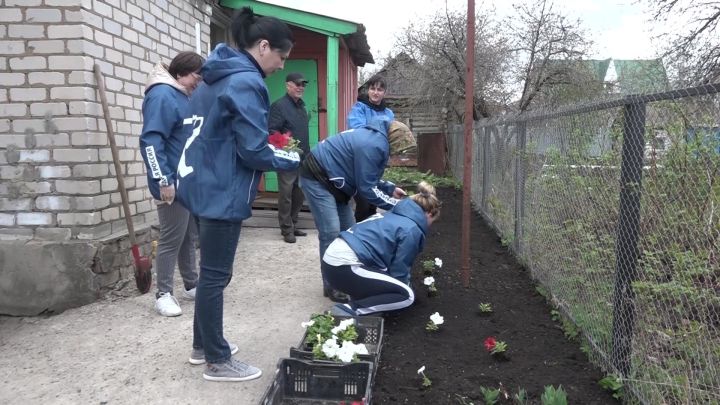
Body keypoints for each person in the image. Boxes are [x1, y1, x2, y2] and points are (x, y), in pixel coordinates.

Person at [174, 7, 299, 382]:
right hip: (224, 191)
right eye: (281, 56)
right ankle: (217, 359)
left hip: (202, 184)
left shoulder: (214, 77)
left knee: (211, 274)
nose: (280, 66)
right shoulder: (246, 82)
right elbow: (252, 149)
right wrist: (289, 157)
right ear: (263, 47)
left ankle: (203, 346)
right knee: (215, 276)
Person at [299, 117, 408, 303]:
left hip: (337, 182)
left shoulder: (376, 139)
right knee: (331, 231)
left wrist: (390, 189)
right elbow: (367, 188)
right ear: (395, 140)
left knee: (351, 231)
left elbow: (365, 174)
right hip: (317, 176)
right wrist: (396, 205)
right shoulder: (374, 145)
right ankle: (331, 285)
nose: (400, 152)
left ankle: (350, 277)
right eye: (401, 147)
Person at [139, 51, 204, 317]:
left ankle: (191, 284)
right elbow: (151, 142)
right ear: (180, 74)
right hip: (170, 183)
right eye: (195, 78)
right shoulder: (162, 96)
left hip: (185, 181)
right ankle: (163, 294)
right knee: (170, 239)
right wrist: (163, 180)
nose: (197, 84)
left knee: (188, 235)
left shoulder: (181, 95)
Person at [322, 181, 441, 317]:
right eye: (433, 221)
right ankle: (348, 311)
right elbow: (399, 270)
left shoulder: (392, 215)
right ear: (430, 214)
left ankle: (362, 302)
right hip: (345, 267)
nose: (430, 226)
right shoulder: (411, 229)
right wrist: (400, 291)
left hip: (332, 264)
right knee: (406, 296)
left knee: (385, 275)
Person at [268, 72, 310, 244]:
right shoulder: (278, 106)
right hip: (286, 157)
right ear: (288, 85)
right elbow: (272, 130)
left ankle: (293, 223)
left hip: (303, 157)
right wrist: (287, 144)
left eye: (303, 85)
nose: (301, 87)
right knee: (286, 194)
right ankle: (286, 230)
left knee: (299, 193)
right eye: (297, 84)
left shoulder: (302, 106)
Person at [347, 75, 395, 222]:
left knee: (373, 199)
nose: (375, 92)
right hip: (360, 159)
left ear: (384, 92)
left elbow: (391, 135)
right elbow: (358, 130)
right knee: (363, 200)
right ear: (368, 90)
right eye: (372, 89)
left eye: (379, 89)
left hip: (378, 160)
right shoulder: (359, 108)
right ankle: (359, 231)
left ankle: (369, 230)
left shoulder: (388, 113)